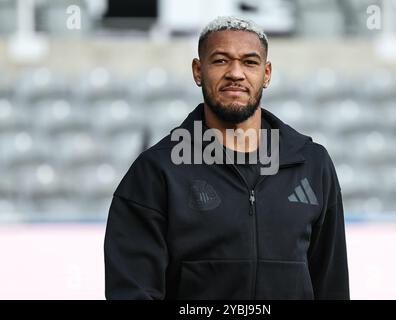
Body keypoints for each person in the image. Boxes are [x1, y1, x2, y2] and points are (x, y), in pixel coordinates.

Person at [104, 16, 349, 300]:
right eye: (220, 60)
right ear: (198, 70)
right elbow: (133, 291)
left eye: (249, 62)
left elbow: (332, 285)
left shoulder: (312, 165)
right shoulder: (156, 171)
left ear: (266, 74)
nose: (235, 73)